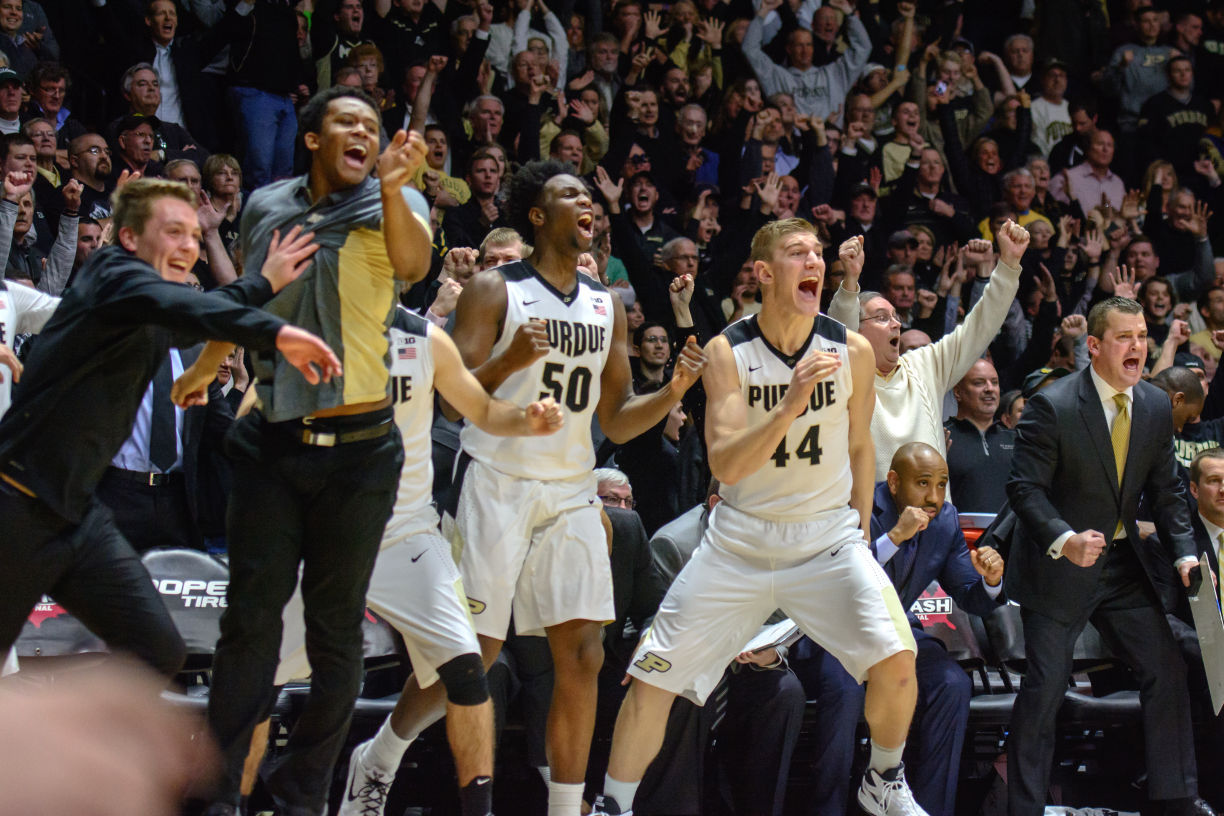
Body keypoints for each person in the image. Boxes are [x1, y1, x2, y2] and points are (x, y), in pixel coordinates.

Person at [339, 159, 706, 816]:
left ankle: (566, 808)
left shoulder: (607, 306)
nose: (587, 203)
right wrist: (510, 361)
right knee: (472, 655)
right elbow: (451, 406)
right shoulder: (492, 289)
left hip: (569, 490)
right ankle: (383, 753)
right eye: (570, 195)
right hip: (496, 482)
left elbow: (617, 417)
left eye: (590, 195)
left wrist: (674, 390)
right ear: (536, 216)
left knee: (584, 651)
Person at [590, 222, 924, 816]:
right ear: (765, 272)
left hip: (825, 541)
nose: (813, 262)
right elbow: (727, 463)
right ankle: (613, 804)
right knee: (652, 680)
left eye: (818, 254)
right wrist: (791, 404)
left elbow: (859, 448)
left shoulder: (852, 349)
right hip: (738, 545)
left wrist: (862, 527)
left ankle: (884, 777)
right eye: (798, 253)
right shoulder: (727, 352)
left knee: (898, 661)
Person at [189, 86, 433, 816]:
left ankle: (299, 791)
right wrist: (207, 366)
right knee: (249, 626)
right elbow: (252, 298)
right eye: (346, 122)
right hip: (270, 445)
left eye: (372, 124)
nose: (362, 130)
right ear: (312, 140)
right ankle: (218, 793)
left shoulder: (400, 204)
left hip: (360, 454)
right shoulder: (267, 206)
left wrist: (396, 186)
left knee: (336, 635)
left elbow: (413, 265)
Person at [0, 177, 339, 679]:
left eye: (195, 238)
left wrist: (264, 282)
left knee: (158, 650)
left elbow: (194, 317)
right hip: (16, 506)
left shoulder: (146, 308)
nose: (187, 245)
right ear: (130, 238)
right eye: (173, 231)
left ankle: (85, 751)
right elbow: (191, 310)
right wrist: (280, 332)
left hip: (76, 516)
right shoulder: (112, 277)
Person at [274, 303, 564, 816]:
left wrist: (525, 419)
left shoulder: (425, 339)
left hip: (406, 534)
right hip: (321, 537)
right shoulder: (310, 329)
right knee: (260, 676)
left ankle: (467, 804)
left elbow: (475, 408)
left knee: (469, 667)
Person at [1005, 296, 1215, 816]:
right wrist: (1065, 538)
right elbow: (1024, 489)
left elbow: (1168, 494)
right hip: (1059, 565)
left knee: (1166, 669)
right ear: (1095, 346)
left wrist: (1186, 554)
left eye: (1143, 336)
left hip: (1123, 566)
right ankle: (1023, 808)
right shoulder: (1052, 405)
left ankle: (1173, 800)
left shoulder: (1151, 405)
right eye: (1125, 337)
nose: (1138, 347)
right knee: (1045, 688)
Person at [829, 227, 1029, 481]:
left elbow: (981, 326)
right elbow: (839, 338)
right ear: (857, 330)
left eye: (896, 317)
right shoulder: (848, 376)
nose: (896, 324)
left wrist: (1008, 266)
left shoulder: (925, 365)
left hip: (934, 516)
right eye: (881, 318)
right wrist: (849, 284)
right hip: (871, 515)